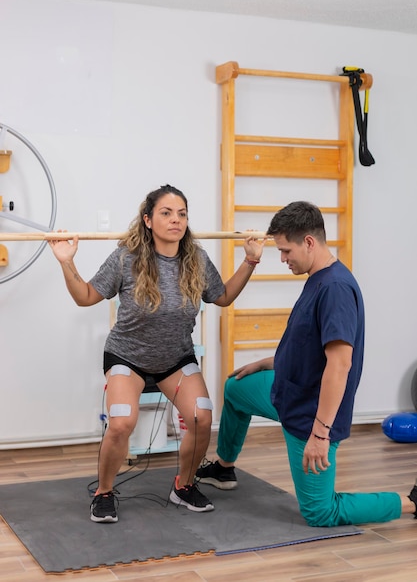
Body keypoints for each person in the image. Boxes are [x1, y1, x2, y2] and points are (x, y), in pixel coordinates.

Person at [49, 184, 264, 522]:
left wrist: (251, 260)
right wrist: (66, 262)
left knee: (202, 417)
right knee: (121, 423)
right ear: (148, 220)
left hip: (175, 358)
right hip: (127, 357)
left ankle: (184, 486)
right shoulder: (126, 258)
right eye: (166, 213)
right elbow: (86, 297)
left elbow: (221, 297)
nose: (175, 220)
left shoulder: (197, 259)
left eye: (182, 214)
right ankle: (103, 492)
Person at [197, 201, 417, 526]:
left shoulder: (335, 289)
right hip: (286, 391)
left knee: (320, 512)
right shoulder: (317, 276)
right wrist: (270, 362)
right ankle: (225, 467)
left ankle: (411, 503)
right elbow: (309, 346)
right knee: (235, 388)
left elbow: (339, 366)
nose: (283, 258)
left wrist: (320, 434)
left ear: (309, 243)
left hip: (310, 415)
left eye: (286, 251)